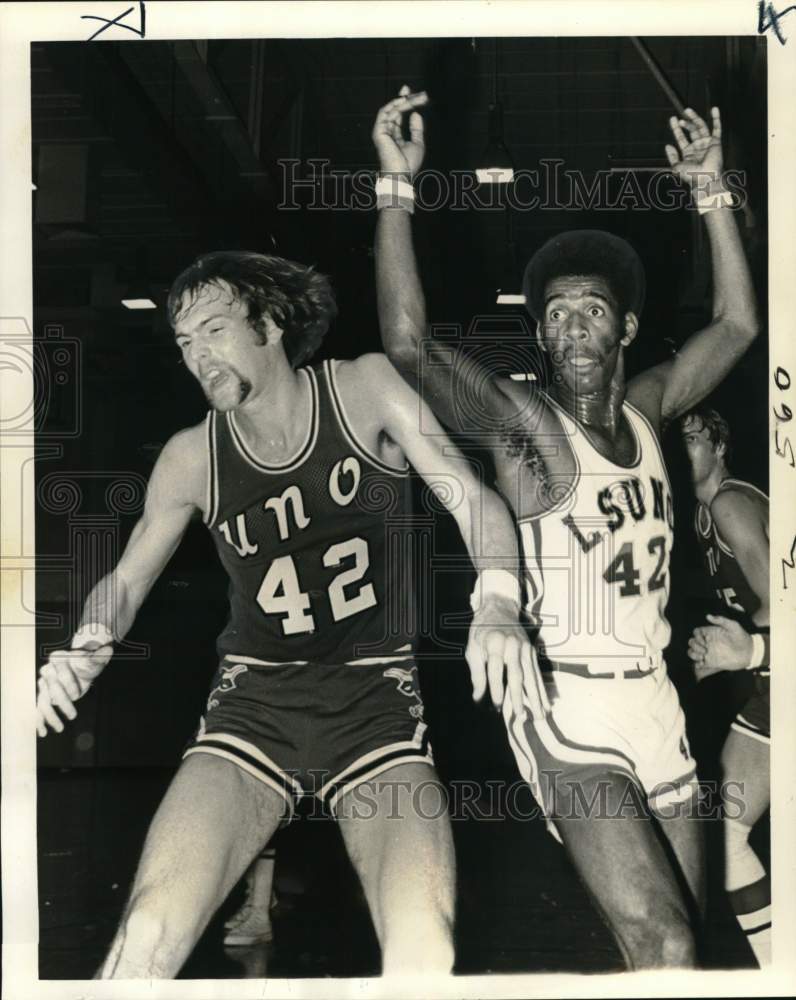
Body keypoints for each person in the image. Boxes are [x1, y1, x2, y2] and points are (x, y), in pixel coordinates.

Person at [35, 248, 544, 978]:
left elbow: (470, 495)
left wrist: (498, 600)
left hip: (376, 708)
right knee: (145, 933)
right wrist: (84, 649)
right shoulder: (192, 457)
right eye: (184, 343)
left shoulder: (365, 389)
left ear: (270, 323)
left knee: (422, 944)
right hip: (254, 709)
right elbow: (127, 576)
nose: (198, 355)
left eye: (213, 330)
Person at [374, 87, 759, 968]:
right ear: (541, 340)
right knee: (664, 941)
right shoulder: (527, 426)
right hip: (567, 703)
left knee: (677, 949)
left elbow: (738, 323)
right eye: (553, 314)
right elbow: (405, 345)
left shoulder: (655, 413)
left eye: (589, 308)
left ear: (624, 326)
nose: (571, 325)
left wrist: (711, 192)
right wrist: (396, 192)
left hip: (655, 701)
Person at [681, 406, 770, 966]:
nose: (680, 450)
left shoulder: (729, 503)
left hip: (776, 668)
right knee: (727, 827)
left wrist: (740, 651)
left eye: (691, 439)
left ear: (718, 445)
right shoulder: (700, 516)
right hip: (773, 679)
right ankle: (776, 966)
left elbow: (783, 603)